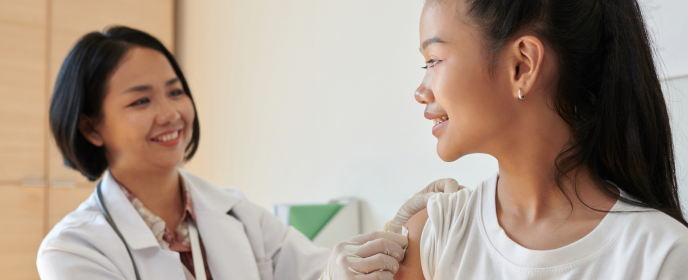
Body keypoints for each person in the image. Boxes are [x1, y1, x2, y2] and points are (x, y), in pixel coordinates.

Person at [37, 26, 443, 280]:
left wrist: (395, 238)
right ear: (91, 126)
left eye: (175, 91)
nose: (171, 113)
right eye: (140, 102)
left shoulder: (235, 212)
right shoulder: (73, 251)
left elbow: (320, 272)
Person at [394, 0, 688, 279]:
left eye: (433, 61)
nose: (420, 92)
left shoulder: (661, 257)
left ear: (521, 66)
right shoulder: (432, 237)